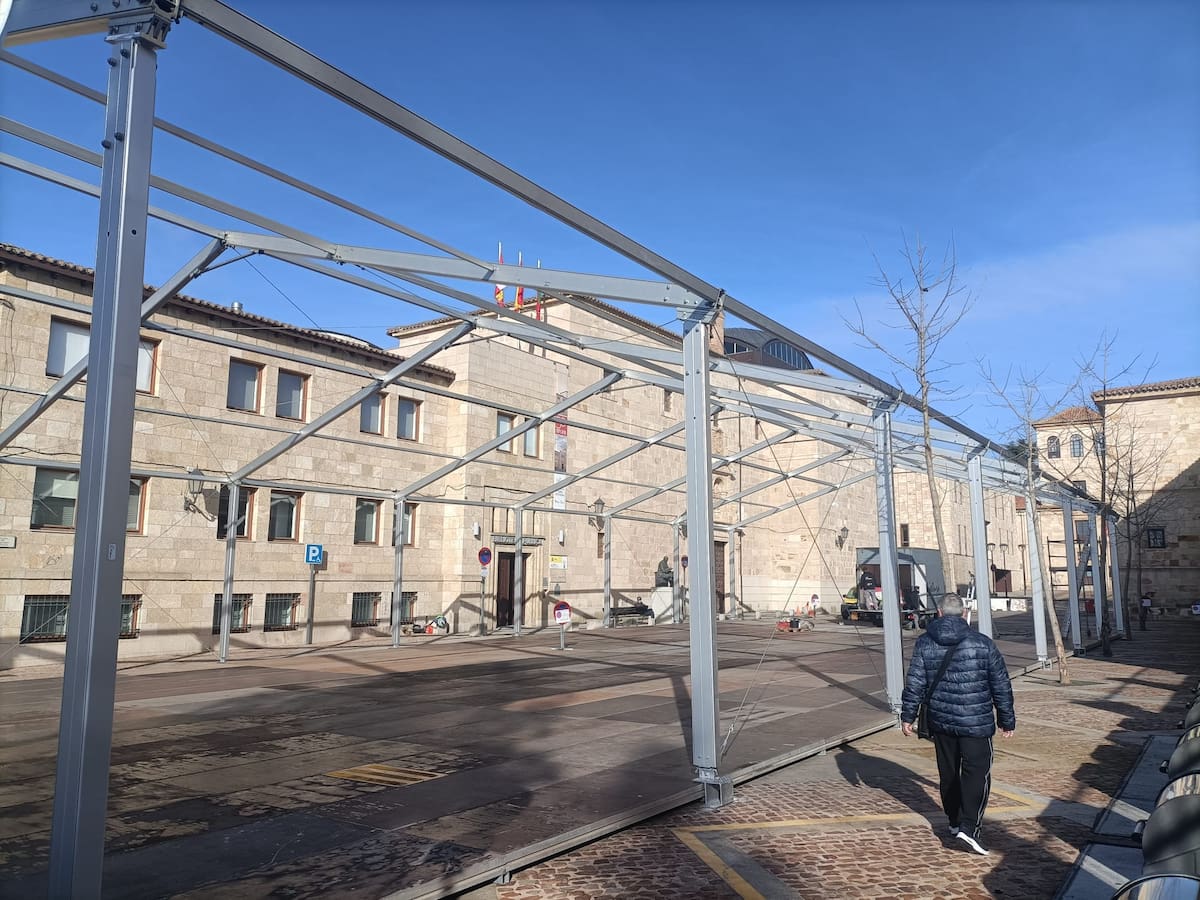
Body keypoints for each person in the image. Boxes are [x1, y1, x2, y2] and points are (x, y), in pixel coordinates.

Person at [900, 592, 1015, 856]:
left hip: (941, 720)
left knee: (949, 772)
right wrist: (1006, 719)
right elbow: (1001, 684)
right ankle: (969, 827)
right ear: (964, 614)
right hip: (976, 721)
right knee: (977, 772)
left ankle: (954, 820)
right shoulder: (982, 643)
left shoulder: (924, 642)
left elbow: (915, 682)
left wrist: (908, 716)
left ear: (939, 613)